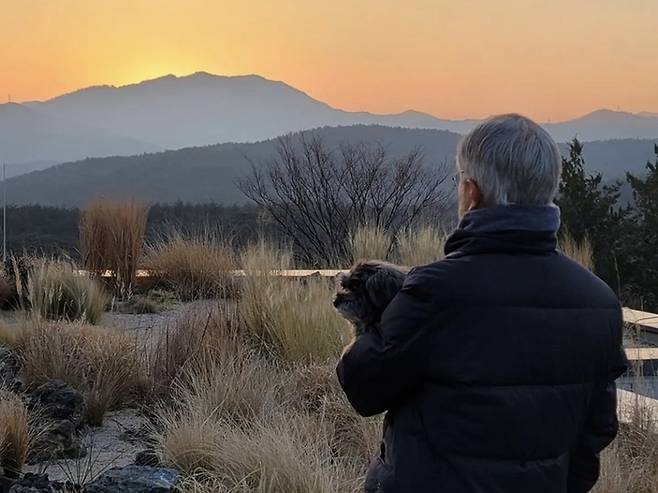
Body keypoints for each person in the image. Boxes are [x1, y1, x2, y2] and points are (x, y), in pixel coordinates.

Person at [336, 114, 629, 493]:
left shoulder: (434, 291)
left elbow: (362, 386)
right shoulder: (599, 302)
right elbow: (597, 430)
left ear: (472, 193)